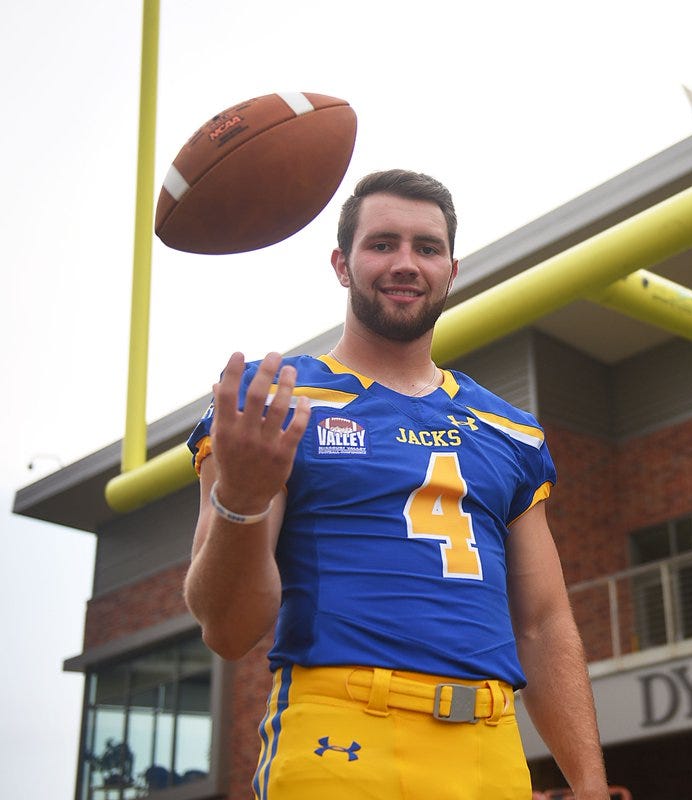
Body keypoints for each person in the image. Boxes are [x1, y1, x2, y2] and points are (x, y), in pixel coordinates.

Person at [183, 169, 608, 799]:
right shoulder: (276, 399)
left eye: (426, 247)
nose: (406, 263)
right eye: (382, 244)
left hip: (491, 748)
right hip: (343, 733)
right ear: (342, 264)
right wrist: (240, 502)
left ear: (451, 270)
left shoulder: (509, 429)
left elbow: (543, 625)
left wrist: (592, 784)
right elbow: (229, 631)